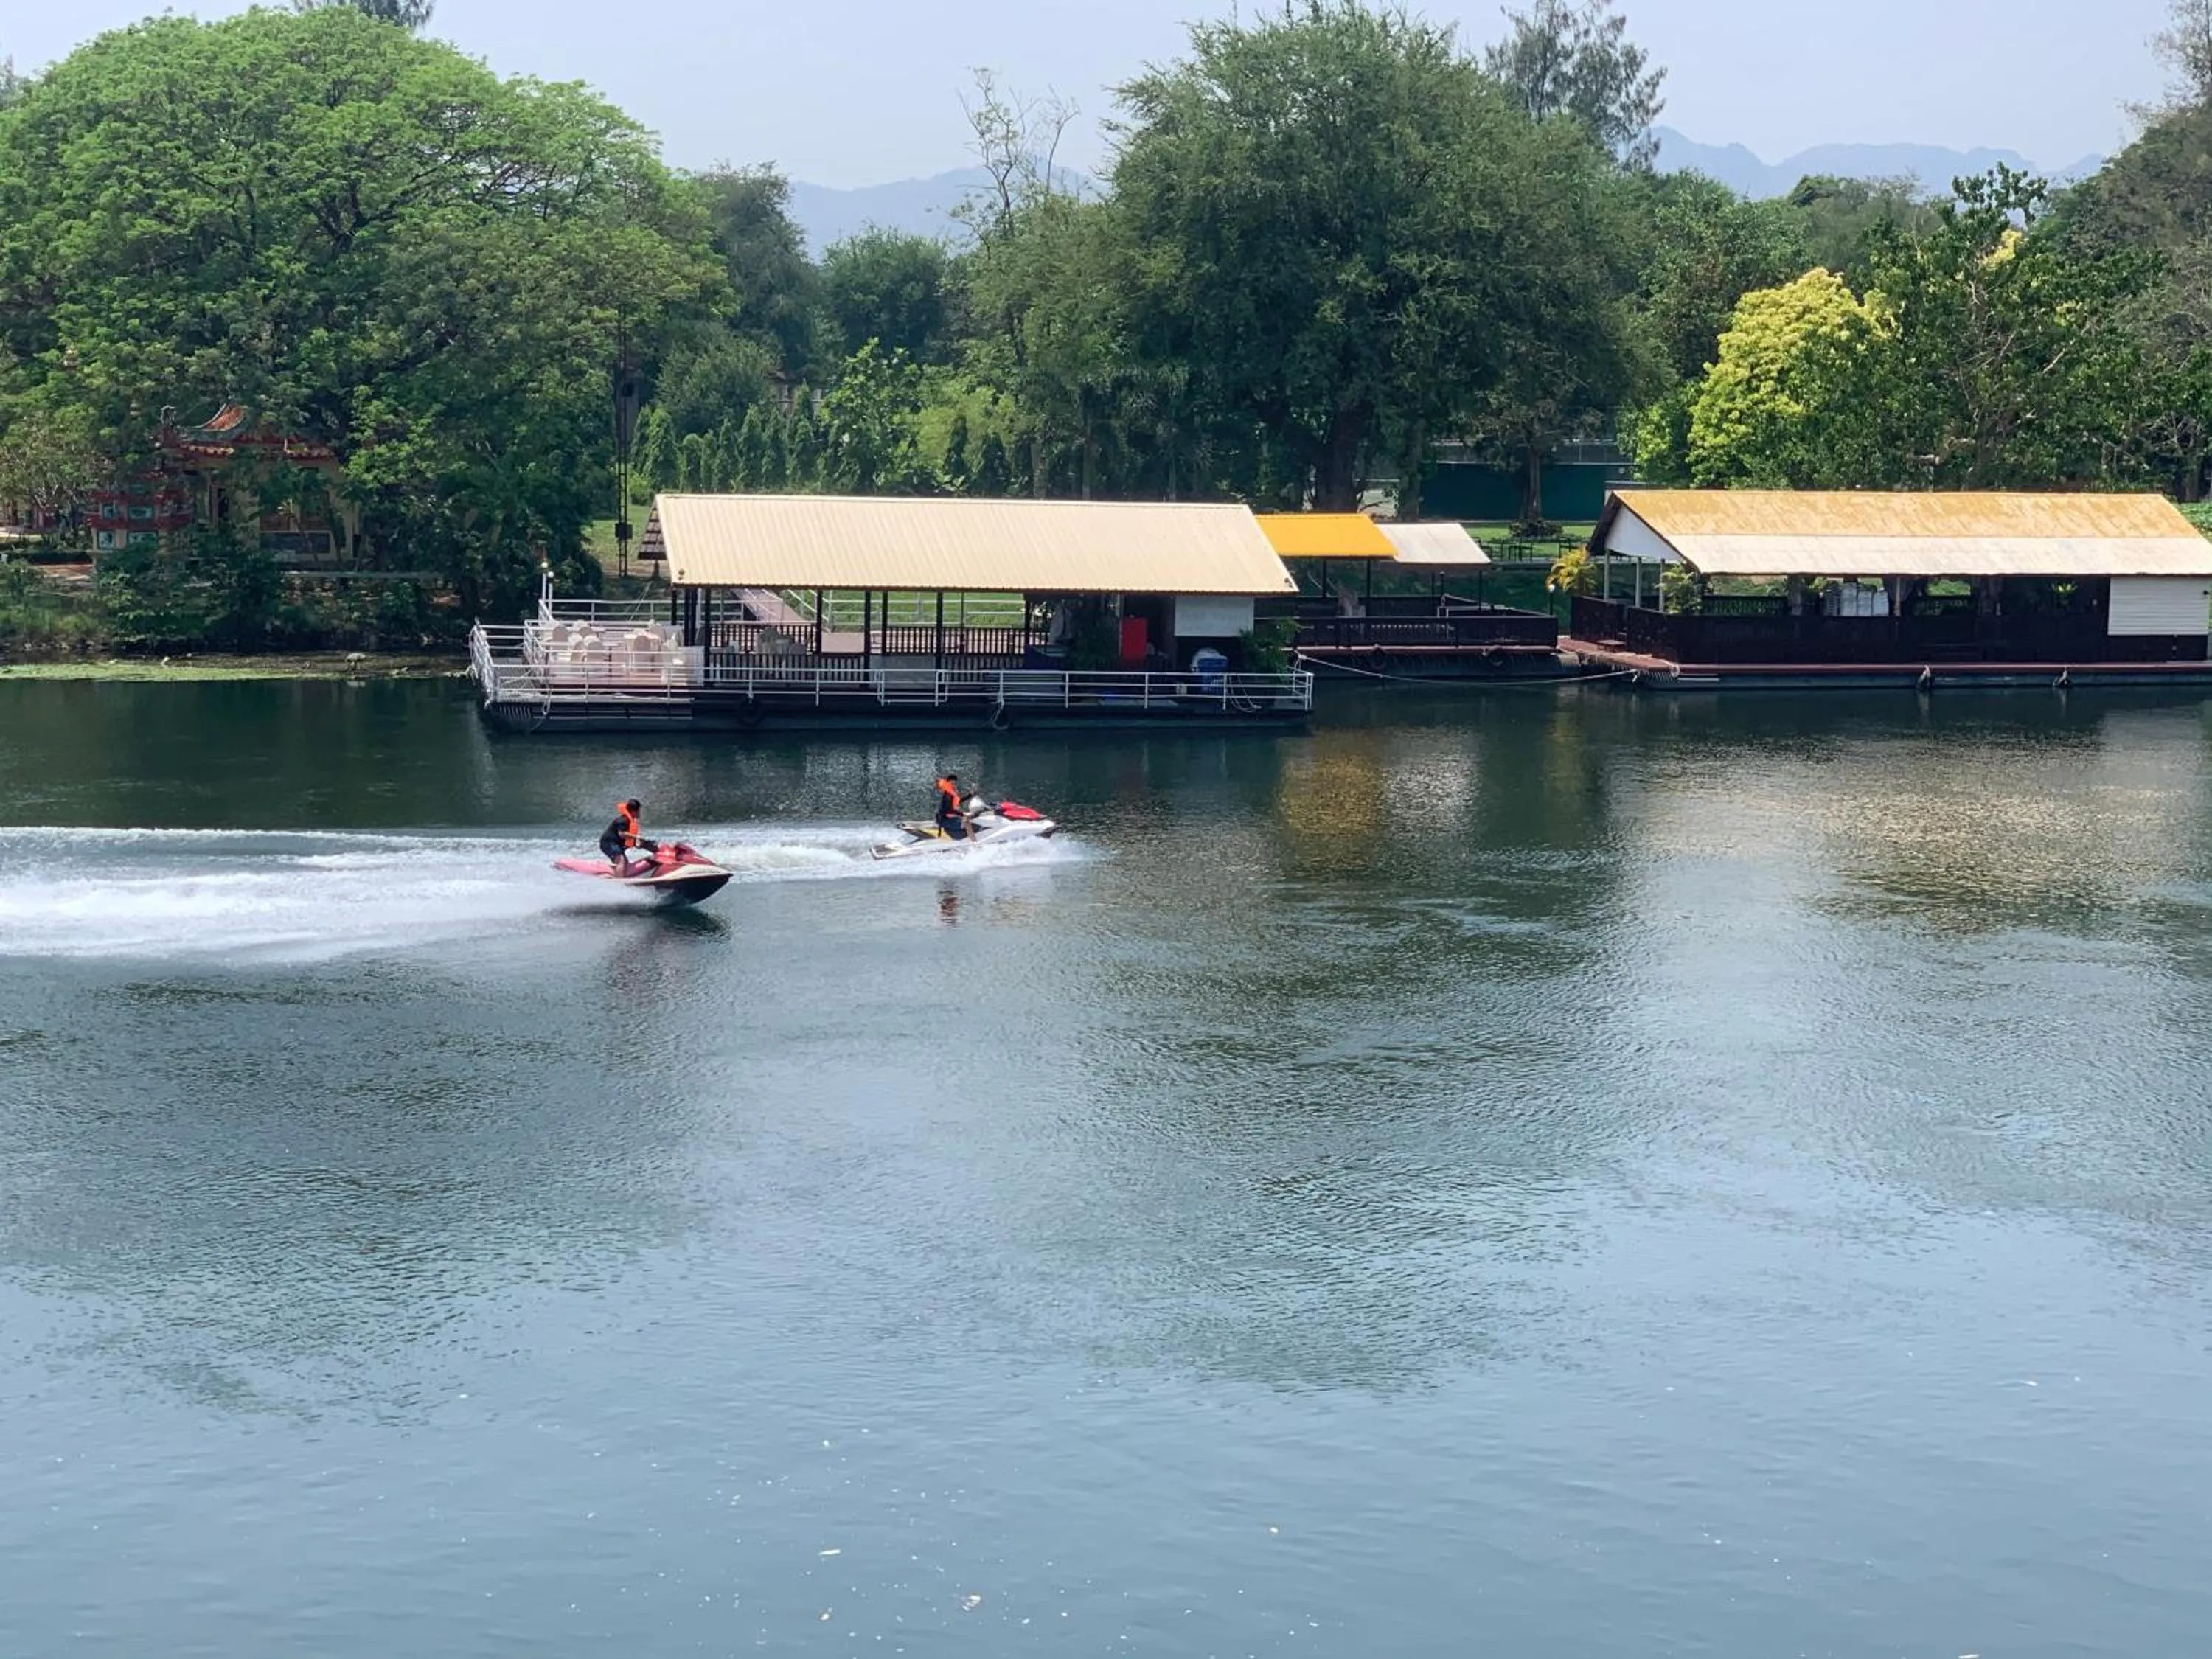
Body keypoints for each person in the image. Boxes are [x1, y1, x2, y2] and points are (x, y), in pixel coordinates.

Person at [600, 798, 658, 872]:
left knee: (626, 863)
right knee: (621, 861)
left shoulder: (632, 821)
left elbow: (635, 842)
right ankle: (619, 879)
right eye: (639, 811)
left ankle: (660, 854)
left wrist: (651, 846)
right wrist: (636, 837)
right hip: (609, 843)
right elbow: (622, 834)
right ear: (634, 812)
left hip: (618, 843)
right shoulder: (622, 821)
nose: (640, 813)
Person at [933, 772, 967, 840]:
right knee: (964, 824)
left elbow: (959, 801)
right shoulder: (948, 795)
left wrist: (970, 795)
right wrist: (962, 814)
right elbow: (948, 810)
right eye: (952, 783)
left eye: (955, 783)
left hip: (947, 818)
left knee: (965, 821)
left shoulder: (952, 793)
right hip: (943, 820)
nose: (953, 785)